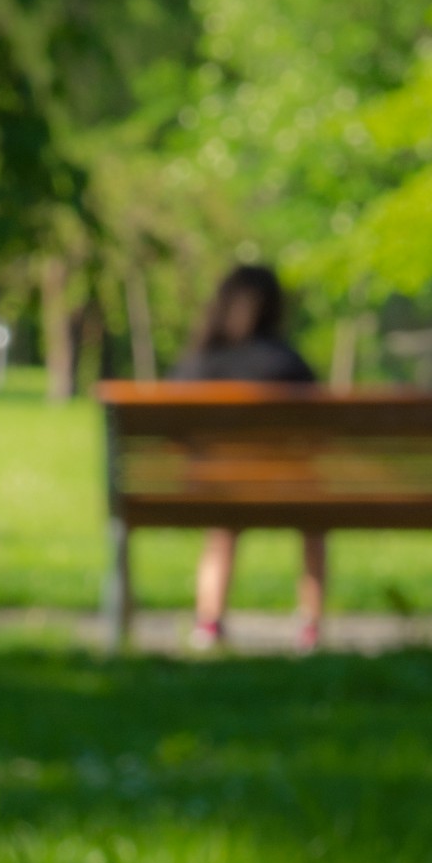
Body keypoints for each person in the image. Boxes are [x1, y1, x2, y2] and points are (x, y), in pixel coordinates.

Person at [172, 264, 324, 652]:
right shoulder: (290, 365)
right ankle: (310, 625)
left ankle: (209, 623)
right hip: (288, 489)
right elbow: (316, 434)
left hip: (216, 490)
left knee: (223, 527)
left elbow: (175, 435)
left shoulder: (199, 365)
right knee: (315, 521)